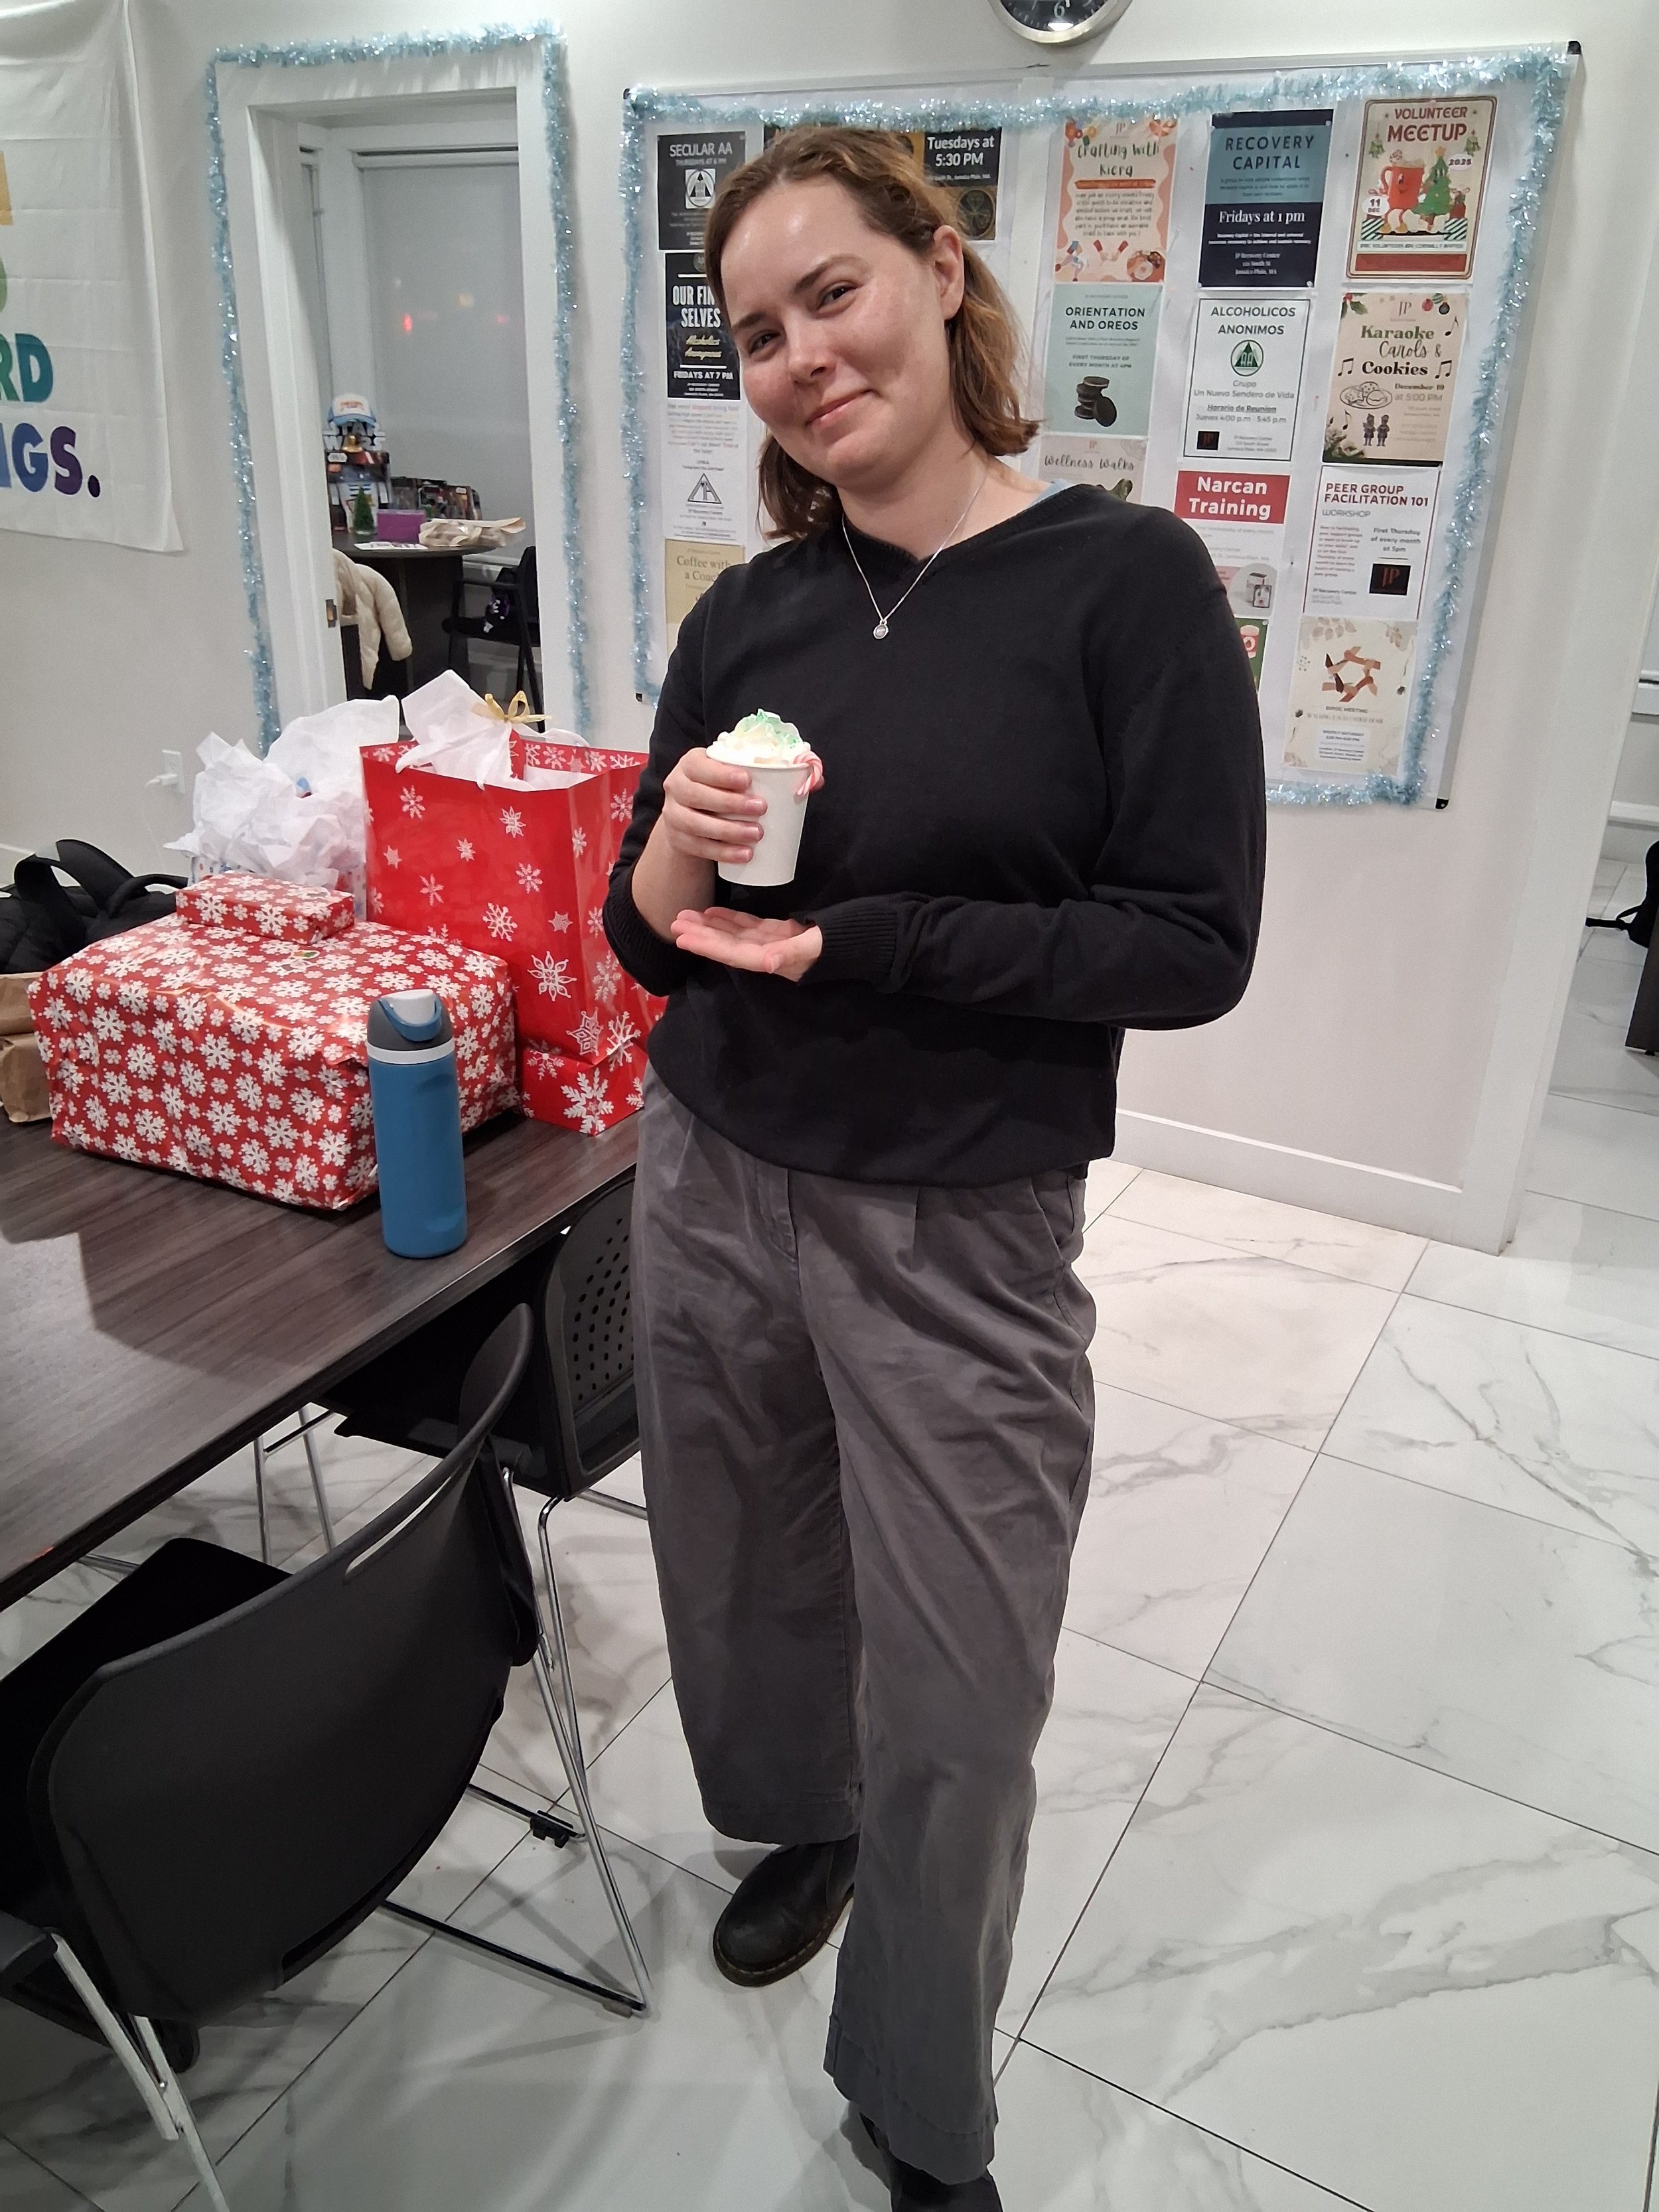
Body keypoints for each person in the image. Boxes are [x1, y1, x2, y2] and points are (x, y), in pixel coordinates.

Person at [603, 126, 1265, 2211]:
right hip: (710, 1169)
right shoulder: (754, 610)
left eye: (833, 294)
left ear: (940, 271)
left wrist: (863, 941)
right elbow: (641, 935)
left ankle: (917, 2095)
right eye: (756, 333)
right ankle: (796, 1814)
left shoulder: (1120, 580)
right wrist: (687, 848)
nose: (801, 357)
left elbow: (1189, 944)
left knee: (967, 1696)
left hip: (957, 1223)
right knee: (738, 1574)